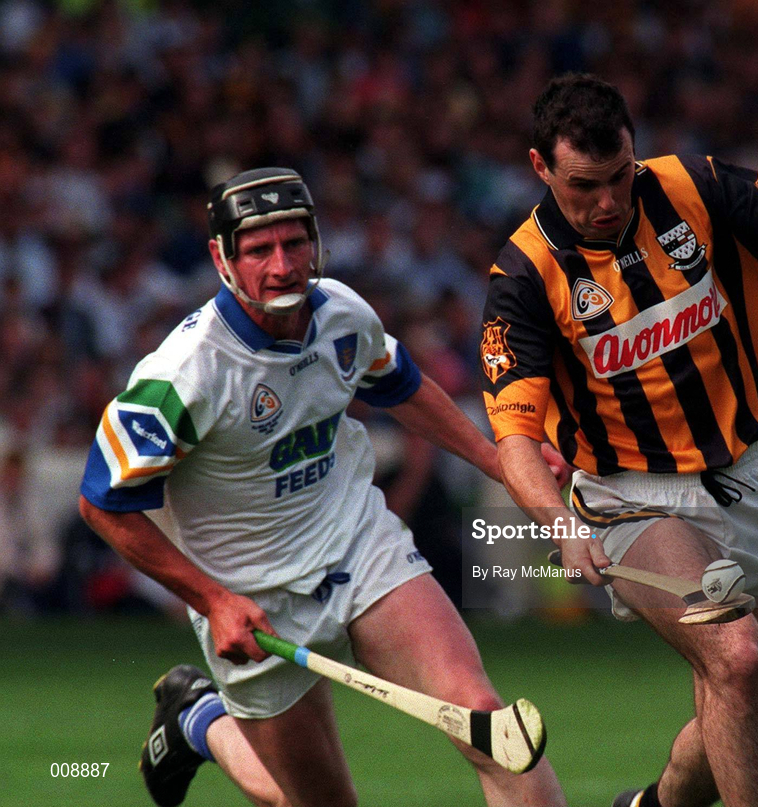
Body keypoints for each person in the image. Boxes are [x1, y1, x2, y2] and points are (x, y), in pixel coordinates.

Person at [78, 167, 568, 807]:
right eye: (259, 249)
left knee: (488, 724)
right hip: (253, 597)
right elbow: (102, 503)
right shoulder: (183, 374)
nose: (282, 265)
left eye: (294, 243)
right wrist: (212, 600)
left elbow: (400, 385)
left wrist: (501, 462)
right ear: (221, 259)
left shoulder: (341, 313)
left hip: (360, 551)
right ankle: (199, 720)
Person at [479, 73, 758, 807]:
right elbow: (513, 437)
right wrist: (561, 524)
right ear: (540, 167)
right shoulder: (523, 275)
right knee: (734, 658)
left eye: (619, 176)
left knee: (748, 692)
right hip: (629, 494)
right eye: (584, 185)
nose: (607, 201)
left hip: (752, 471)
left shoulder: (695, 187)